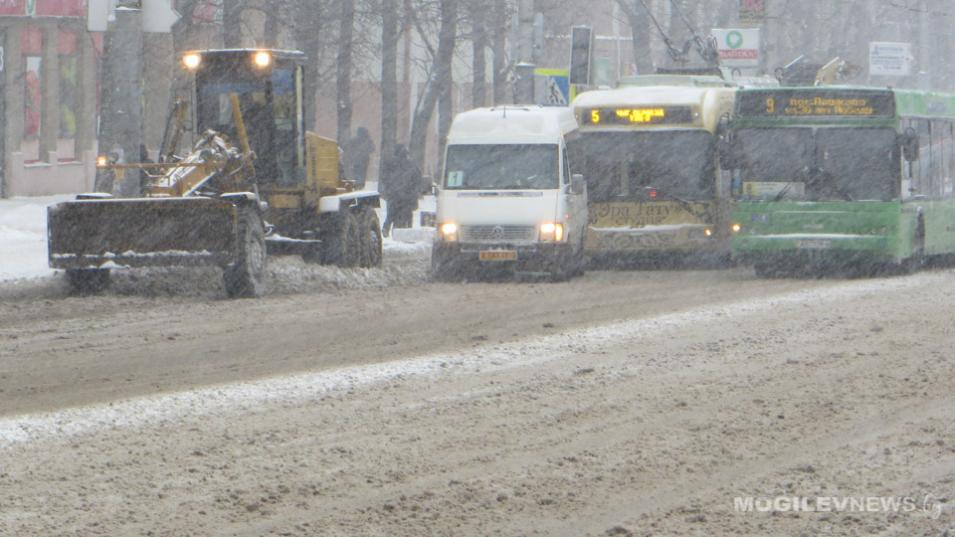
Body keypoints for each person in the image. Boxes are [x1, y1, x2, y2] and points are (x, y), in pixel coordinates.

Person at [380, 144, 422, 237]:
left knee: (390, 214)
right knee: (406, 215)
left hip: (394, 196)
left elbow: (384, 178)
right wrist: (414, 192)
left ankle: (386, 228)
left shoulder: (390, 164)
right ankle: (405, 232)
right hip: (407, 197)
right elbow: (418, 180)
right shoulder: (412, 165)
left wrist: (388, 189)